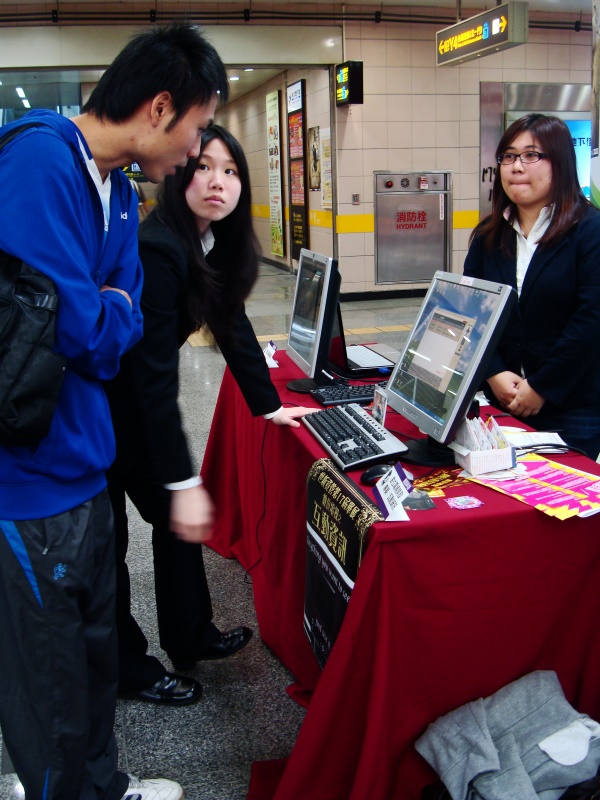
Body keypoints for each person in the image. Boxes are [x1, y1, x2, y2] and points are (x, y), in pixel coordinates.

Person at [0, 23, 228, 800]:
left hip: (87, 468)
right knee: (51, 685)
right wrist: (103, 312)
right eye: (198, 129)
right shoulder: (37, 162)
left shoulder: (122, 195)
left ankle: (104, 783)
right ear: (160, 107)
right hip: (29, 481)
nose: (198, 151)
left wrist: (103, 311)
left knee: (96, 659)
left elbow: (111, 333)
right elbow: (75, 327)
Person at [106, 124, 313, 705]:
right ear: (178, 173)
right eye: (204, 167)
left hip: (129, 410)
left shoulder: (206, 242)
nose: (217, 182)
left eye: (230, 171)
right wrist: (182, 474)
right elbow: (150, 377)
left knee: (176, 526)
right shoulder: (160, 246)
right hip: (98, 414)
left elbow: (231, 323)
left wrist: (269, 406)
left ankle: (190, 635)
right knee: (109, 552)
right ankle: (130, 671)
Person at [463, 113, 600, 460]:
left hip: (573, 405)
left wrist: (541, 386)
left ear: (562, 164)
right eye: (508, 156)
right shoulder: (488, 235)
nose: (516, 167)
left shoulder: (589, 230)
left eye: (531, 155)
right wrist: (493, 371)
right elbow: (471, 311)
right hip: (501, 400)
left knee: (560, 506)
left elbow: (591, 320)